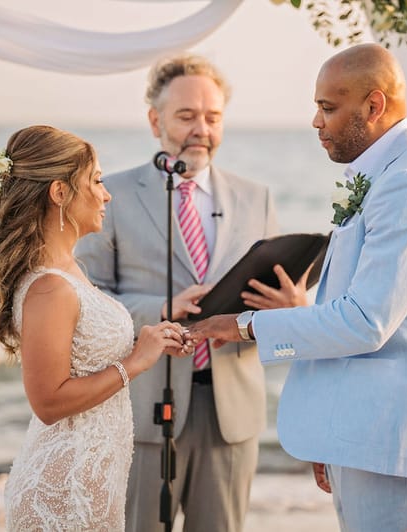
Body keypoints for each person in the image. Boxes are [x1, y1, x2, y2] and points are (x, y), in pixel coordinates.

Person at [188, 43, 407, 531]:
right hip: (363, 433)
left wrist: (244, 325)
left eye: (328, 108)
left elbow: (365, 323)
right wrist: (328, 429)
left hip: (396, 436)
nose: (316, 122)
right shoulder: (383, 176)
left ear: (374, 105)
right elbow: (344, 308)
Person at [75, 54, 305, 532]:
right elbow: (85, 300)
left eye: (212, 117)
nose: (201, 128)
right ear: (155, 120)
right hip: (141, 411)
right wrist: (161, 309)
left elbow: (279, 301)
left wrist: (291, 312)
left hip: (231, 415)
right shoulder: (109, 195)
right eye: (186, 116)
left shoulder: (255, 197)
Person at [0, 125, 192, 530]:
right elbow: (48, 402)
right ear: (59, 193)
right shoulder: (49, 287)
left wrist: (153, 341)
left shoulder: (69, 270)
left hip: (92, 486)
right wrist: (136, 363)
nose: (106, 194)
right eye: (95, 181)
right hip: (60, 494)